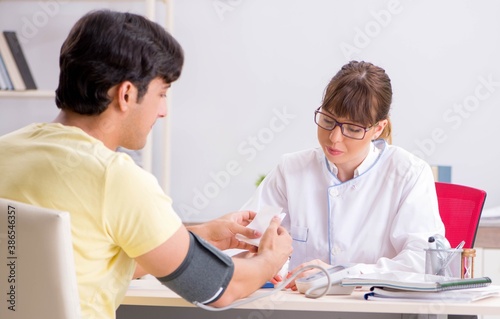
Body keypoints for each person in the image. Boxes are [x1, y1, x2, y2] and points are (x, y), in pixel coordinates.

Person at [0, 10, 292, 319]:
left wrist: (200, 234)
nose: (163, 111)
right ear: (126, 94)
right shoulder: (114, 178)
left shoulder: (7, 148)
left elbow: (82, 260)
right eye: (162, 94)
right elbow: (219, 288)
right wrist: (271, 260)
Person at [239, 60, 445, 289]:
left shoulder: (409, 174)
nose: (334, 138)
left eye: (353, 129)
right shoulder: (291, 170)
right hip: (299, 308)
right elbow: (245, 241)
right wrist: (269, 266)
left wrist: (344, 274)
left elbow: (422, 264)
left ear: (378, 128)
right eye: (328, 120)